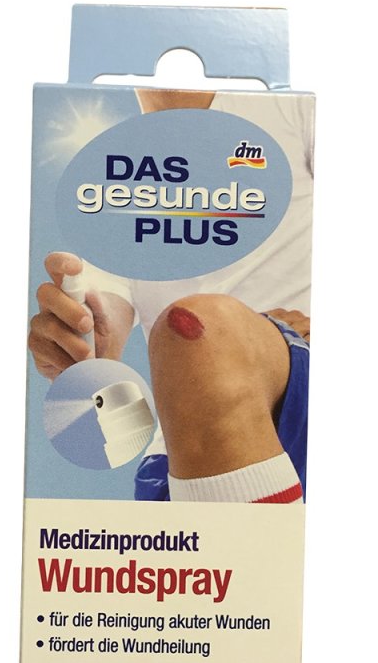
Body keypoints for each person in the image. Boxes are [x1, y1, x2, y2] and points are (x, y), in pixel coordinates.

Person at [28, 88, 314, 503]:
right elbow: (101, 317)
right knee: (190, 335)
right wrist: (76, 335)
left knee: (198, 333)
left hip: (299, 387)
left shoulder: (295, 108)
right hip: (183, 451)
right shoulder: (118, 176)